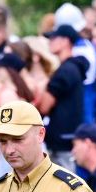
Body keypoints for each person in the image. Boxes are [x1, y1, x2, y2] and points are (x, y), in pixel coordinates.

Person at [39, 25, 89, 169]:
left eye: (54, 38)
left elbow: (44, 106)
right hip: (69, 135)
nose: (50, 42)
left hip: (62, 140)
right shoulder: (74, 68)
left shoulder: (65, 71)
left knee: (64, 183)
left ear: (65, 41)